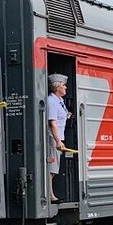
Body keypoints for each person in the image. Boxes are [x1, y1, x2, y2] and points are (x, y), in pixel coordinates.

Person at [47, 73, 71, 203]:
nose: (65, 87)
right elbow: (53, 123)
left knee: (54, 168)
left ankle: (51, 194)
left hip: (58, 138)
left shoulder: (59, 101)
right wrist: (57, 141)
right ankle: (50, 196)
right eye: (63, 85)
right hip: (53, 139)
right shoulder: (51, 101)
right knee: (51, 168)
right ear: (57, 87)